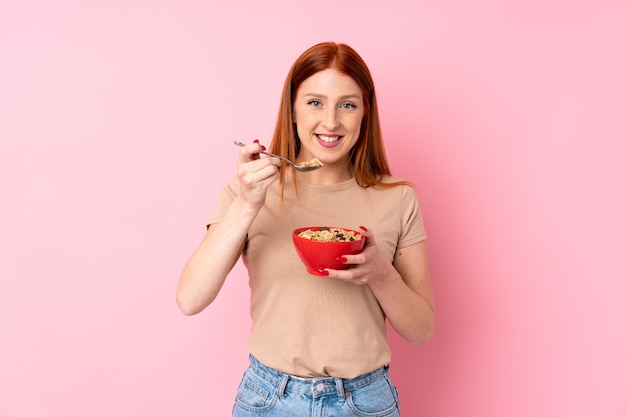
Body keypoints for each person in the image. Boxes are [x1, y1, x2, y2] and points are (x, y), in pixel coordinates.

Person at [176, 41, 435, 417]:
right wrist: (248, 203)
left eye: (347, 104)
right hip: (268, 398)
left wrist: (381, 275)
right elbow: (190, 299)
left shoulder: (398, 198)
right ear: (293, 110)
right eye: (315, 102)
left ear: (365, 113)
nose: (330, 122)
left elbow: (421, 330)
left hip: (365, 402)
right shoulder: (249, 190)